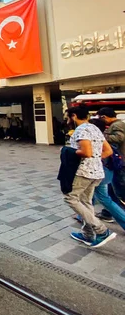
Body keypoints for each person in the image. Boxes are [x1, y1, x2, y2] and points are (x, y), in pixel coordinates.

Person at [64, 106, 116, 248]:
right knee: (86, 202)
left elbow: (86, 152)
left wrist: (69, 152)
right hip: (97, 171)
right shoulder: (94, 128)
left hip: (84, 172)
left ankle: (101, 230)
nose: (68, 120)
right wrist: (95, 160)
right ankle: (88, 234)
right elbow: (108, 150)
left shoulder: (81, 129)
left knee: (70, 198)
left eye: (68, 117)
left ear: (74, 116)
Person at [97, 107, 125, 204]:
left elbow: (119, 138)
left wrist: (102, 136)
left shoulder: (117, 125)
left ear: (104, 117)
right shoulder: (117, 124)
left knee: (119, 186)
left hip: (120, 159)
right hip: (119, 159)